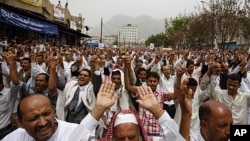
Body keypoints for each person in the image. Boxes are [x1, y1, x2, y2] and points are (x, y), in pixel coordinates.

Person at [2, 82, 118, 141]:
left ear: (54, 110)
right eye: (33, 118)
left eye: (46, 114)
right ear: (20, 123)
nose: (42, 123)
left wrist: (99, 108)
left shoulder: (74, 133)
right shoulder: (13, 138)